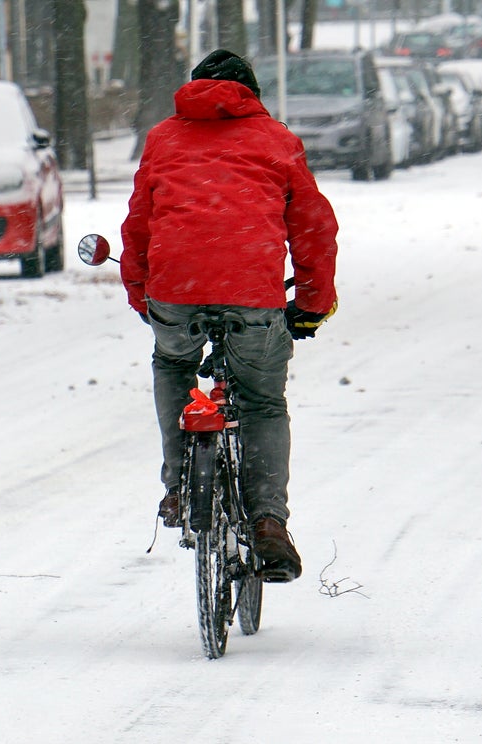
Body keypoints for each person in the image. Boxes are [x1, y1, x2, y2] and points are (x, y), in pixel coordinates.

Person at [119, 49, 339, 583]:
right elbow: (314, 228)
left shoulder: (163, 139)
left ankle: (177, 488)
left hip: (176, 289)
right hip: (251, 295)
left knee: (174, 366)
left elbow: (139, 227)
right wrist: (310, 305)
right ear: (253, 95)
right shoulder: (276, 141)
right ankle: (267, 522)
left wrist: (142, 295)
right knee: (262, 400)